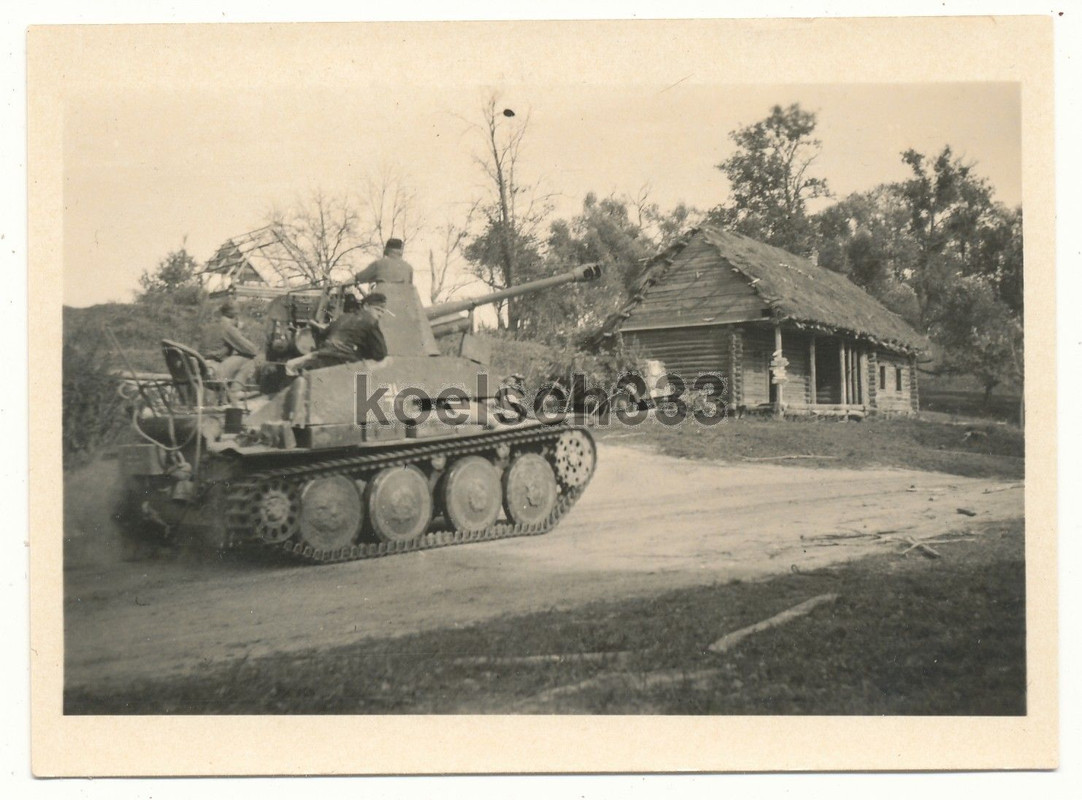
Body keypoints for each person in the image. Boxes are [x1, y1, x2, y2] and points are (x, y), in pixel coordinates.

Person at [285, 292, 389, 374]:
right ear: (366, 306)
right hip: (343, 362)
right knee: (387, 361)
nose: (379, 314)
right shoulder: (370, 321)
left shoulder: (343, 317)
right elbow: (380, 353)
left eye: (382, 312)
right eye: (377, 309)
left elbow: (326, 333)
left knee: (290, 365)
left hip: (322, 357)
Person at [205, 300, 261, 401]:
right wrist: (239, 331)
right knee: (248, 357)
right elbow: (251, 349)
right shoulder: (227, 327)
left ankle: (229, 392)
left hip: (204, 367)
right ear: (235, 315)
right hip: (215, 370)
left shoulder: (214, 323)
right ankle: (235, 391)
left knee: (239, 356)